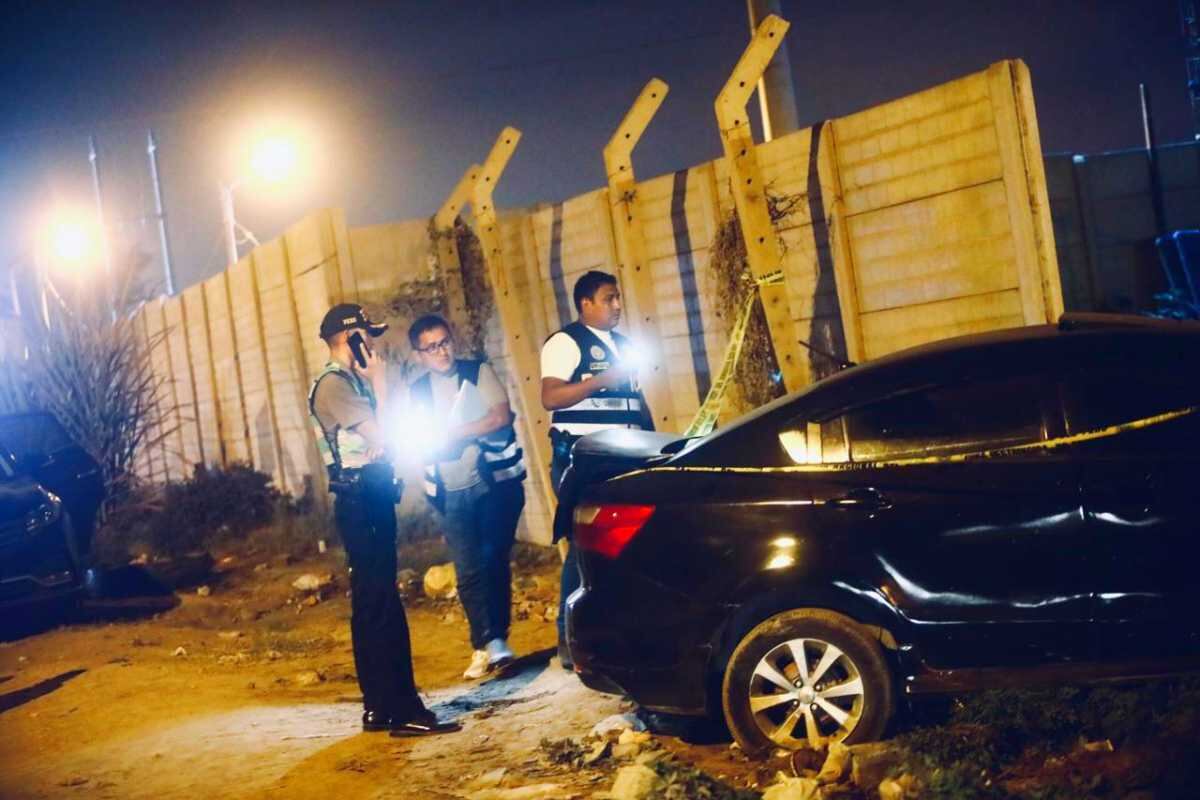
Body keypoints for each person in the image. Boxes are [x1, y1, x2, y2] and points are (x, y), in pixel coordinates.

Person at [309, 303, 459, 737]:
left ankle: (379, 706)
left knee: (373, 603)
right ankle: (403, 709)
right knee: (382, 606)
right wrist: (382, 384)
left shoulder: (349, 384)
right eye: (367, 337)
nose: (372, 345)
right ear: (350, 339)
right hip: (362, 502)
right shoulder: (336, 385)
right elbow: (385, 434)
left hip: (369, 497)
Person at [539, 270, 653, 669]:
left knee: (624, 545)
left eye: (618, 297)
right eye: (609, 298)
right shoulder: (566, 342)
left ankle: (615, 634)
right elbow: (550, 396)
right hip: (583, 458)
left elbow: (635, 401)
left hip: (625, 456)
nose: (618, 305)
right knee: (584, 546)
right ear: (586, 304)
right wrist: (603, 379)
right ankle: (570, 640)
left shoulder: (623, 345)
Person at [407, 314, 527, 680]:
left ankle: (498, 639)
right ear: (418, 355)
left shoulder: (477, 372)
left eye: (444, 342)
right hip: (446, 489)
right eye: (430, 347)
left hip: (491, 482)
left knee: (493, 556)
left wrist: (456, 432)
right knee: (467, 569)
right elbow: (414, 436)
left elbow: (500, 416)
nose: (440, 352)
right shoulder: (417, 392)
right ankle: (482, 643)